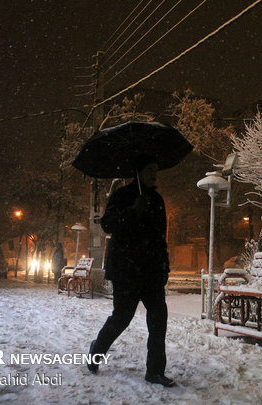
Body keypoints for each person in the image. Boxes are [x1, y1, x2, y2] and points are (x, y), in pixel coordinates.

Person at [88, 155, 173, 387]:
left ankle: (154, 371)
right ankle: (96, 350)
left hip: (151, 271)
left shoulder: (156, 199)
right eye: (149, 169)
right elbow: (107, 225)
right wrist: (133, 211)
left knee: (158, 319)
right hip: (126, 270)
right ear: (138, 172)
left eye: (156, 169)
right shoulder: (121, 195)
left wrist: (164, 265)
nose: (154, 174)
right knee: (122, 318)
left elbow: (159, 237)